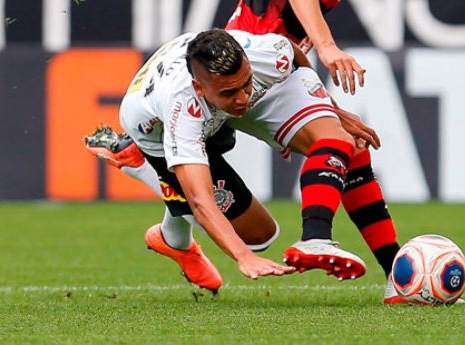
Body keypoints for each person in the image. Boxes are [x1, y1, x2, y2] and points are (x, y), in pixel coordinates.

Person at [224, 0, 432, 304]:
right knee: (336, 142)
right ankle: (315, 237)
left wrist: (331, 109)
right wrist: (328, 46)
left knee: (351, 147)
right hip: (257, 61)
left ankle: (399, 275)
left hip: (259, 62)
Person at [86, 28, 311, 291]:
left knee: (224, 140)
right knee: (257, 237)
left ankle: (172, 239)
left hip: (193, 98)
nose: (242, 99)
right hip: (152, 130)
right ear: (198, 87)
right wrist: (244, 257)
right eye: (229, 93)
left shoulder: (266, 54)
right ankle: (139, 160)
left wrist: (333, 109)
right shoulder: (182, 111)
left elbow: (291, 52)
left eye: (246, 84)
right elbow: (200, 200)